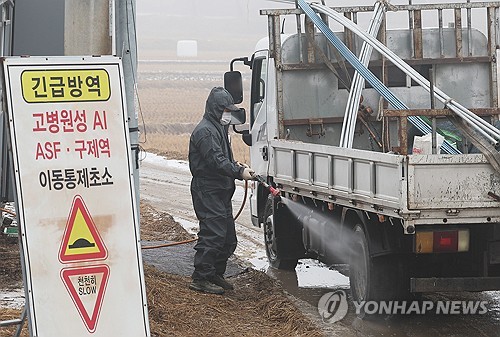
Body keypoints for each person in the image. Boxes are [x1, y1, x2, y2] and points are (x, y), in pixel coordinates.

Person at [188, 87, 254, 295]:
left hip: (220, 190)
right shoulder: (205, 131)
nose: (229, 114)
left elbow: (222, 158)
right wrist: (238, 171)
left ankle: (215, 274)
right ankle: (200, 278)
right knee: (213, 235)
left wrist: (235, 165)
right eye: (226, 110)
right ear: (216, 109)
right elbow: (216, 161)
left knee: (227, 239)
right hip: (208, 190)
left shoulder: (218, 127)